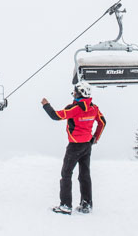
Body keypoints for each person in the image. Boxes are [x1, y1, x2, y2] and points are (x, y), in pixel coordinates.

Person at [41, 81, 106, 215]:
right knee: (84, 174)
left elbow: (56, 116)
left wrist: (46, 105)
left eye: (75, 91)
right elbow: (102, 122)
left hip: (75, 146)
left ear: (80, 93)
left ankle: (65, 205)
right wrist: (95, 138)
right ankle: (86, 204)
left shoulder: (75, 108)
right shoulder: (94, 108)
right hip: (87, 145)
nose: (74, 93)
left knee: (66, 173)